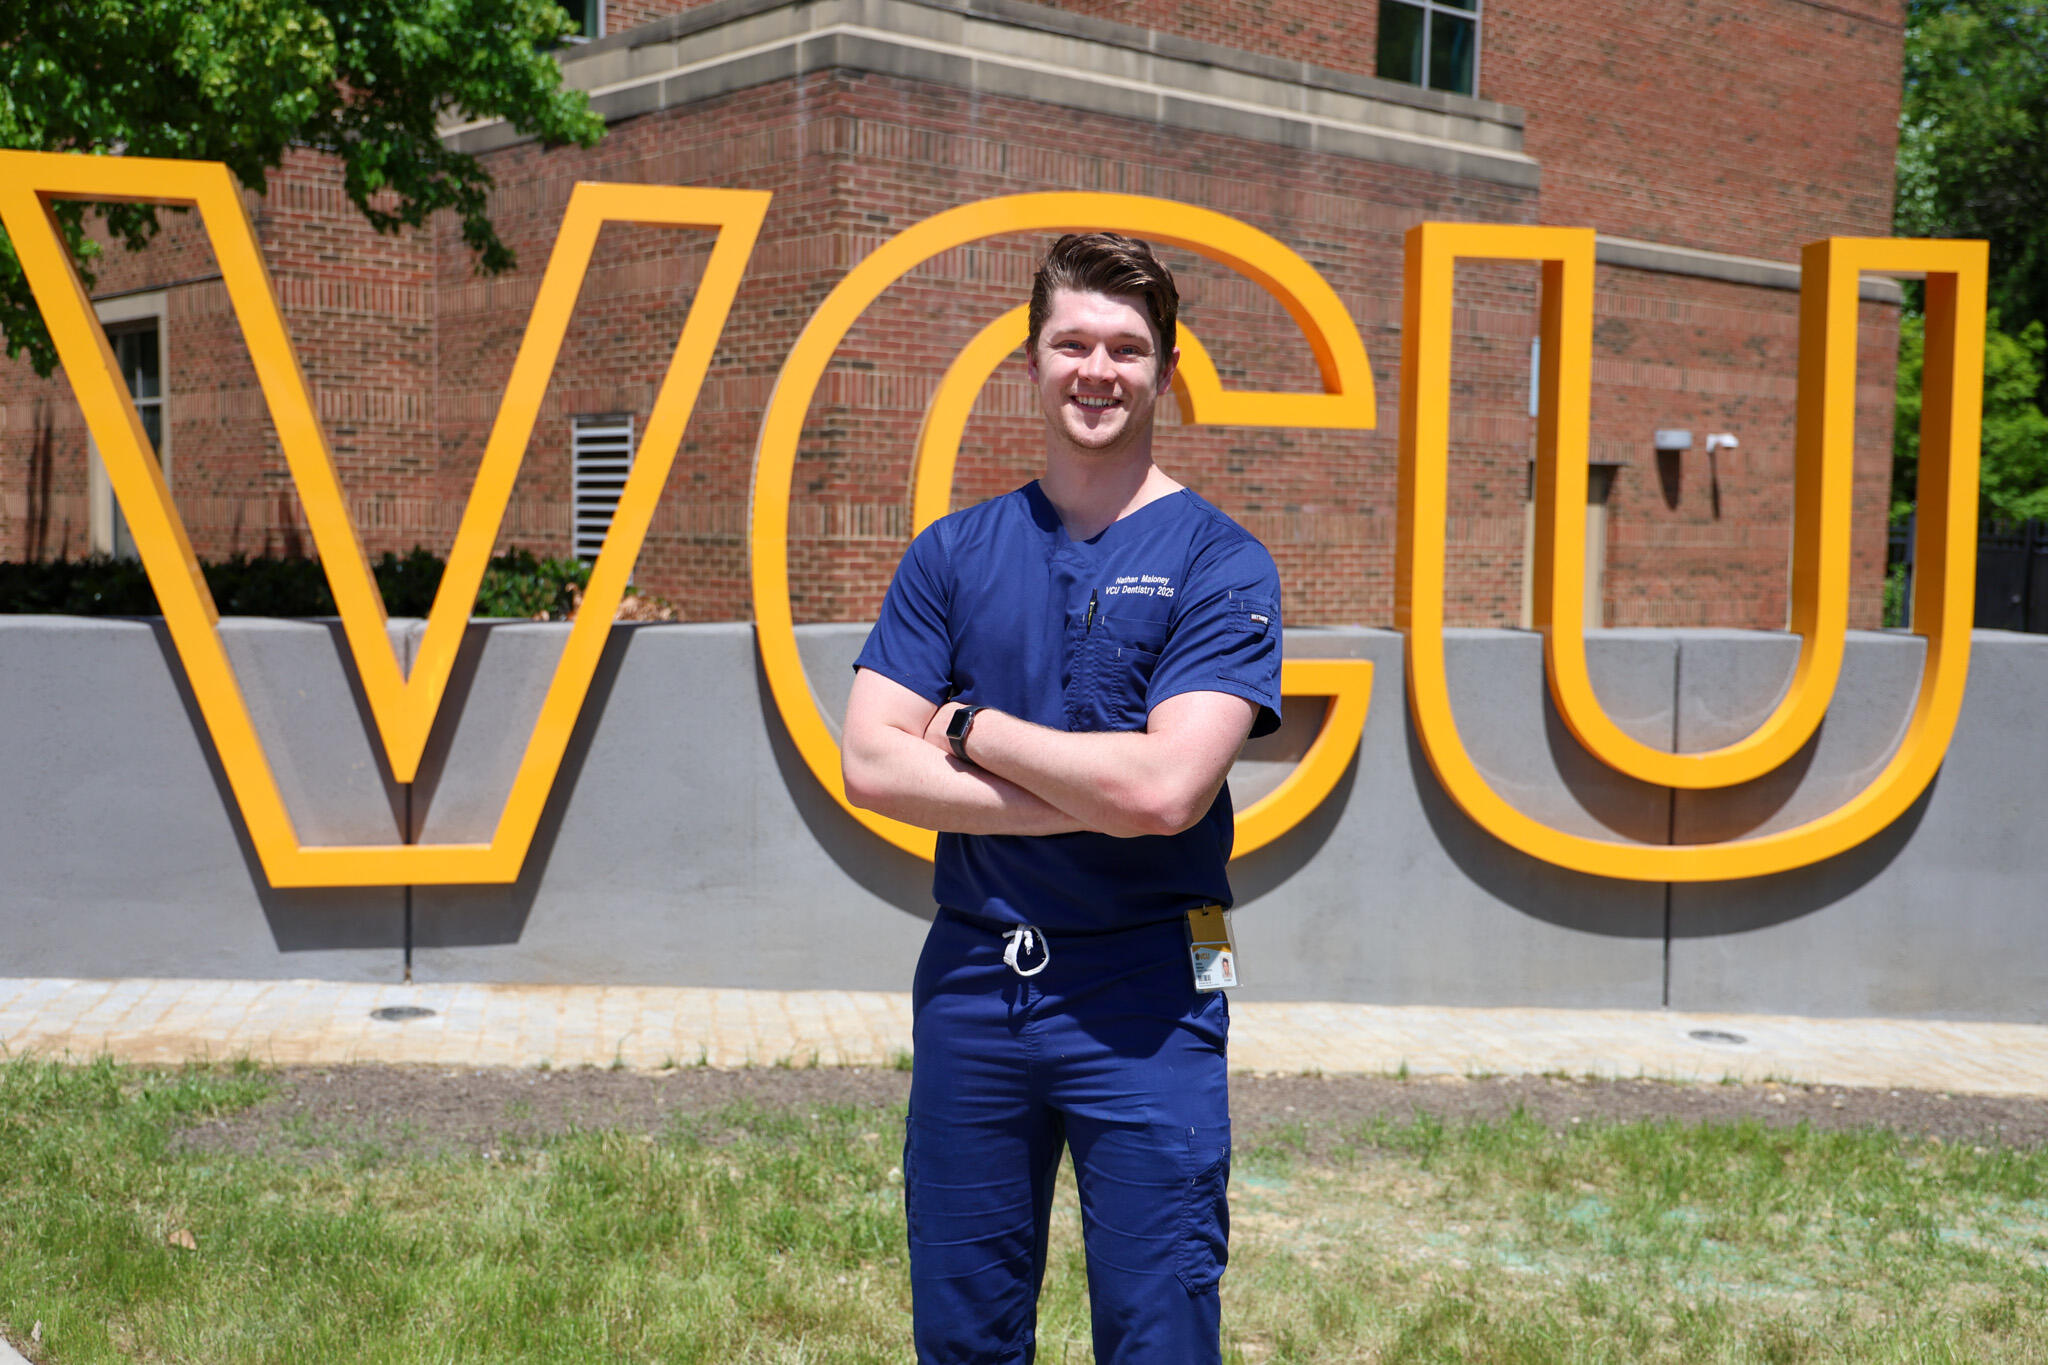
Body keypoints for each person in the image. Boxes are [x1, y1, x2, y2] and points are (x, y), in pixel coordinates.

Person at [841, 231, 1283, 1364]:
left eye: (1127, 349)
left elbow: (1169, 790)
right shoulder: (953, 553)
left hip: (1163, 970)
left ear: (1164, 372)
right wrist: (1092, 792)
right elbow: (869, 764)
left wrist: (975, 730)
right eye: (1072, 343)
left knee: (1159, 1323)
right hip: (975, 972)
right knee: (962, 1324)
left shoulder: (1220, 562)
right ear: (1030, 362)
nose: (1098, 370)